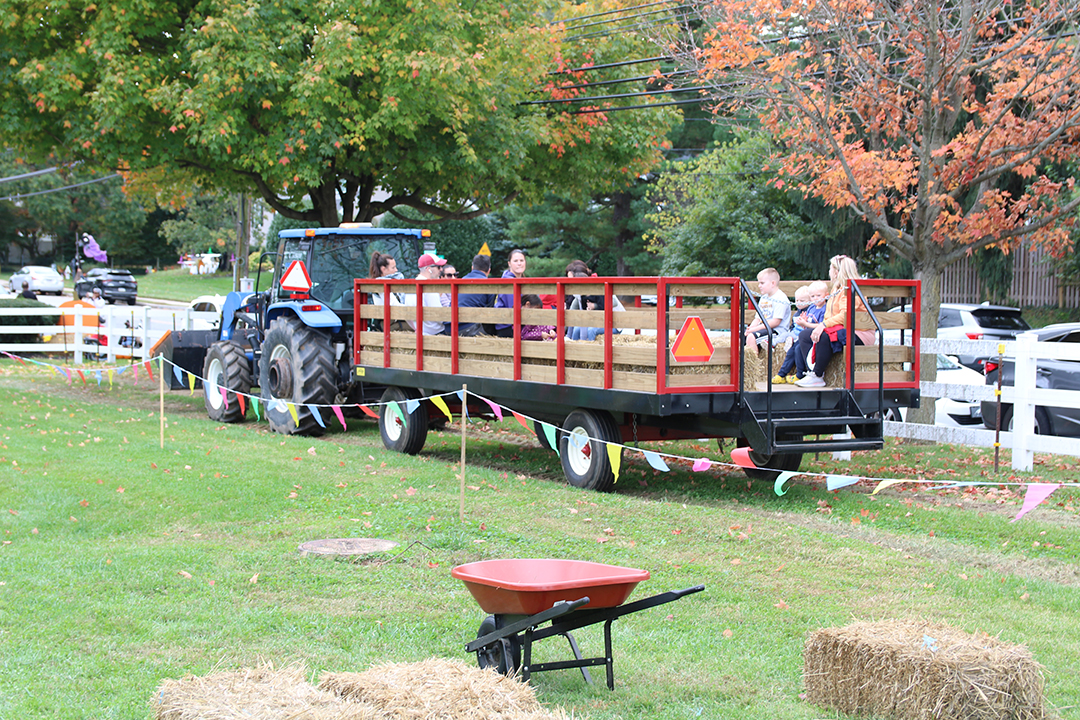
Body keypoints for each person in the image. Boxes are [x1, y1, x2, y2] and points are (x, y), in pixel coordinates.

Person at [794, 256, 877, 387]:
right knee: (804, 336)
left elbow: (845, 316)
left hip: (858, 333)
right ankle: (813, 372)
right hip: (840, 329)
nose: (829, 271)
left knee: (824, 335)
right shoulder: (836, 288)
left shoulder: (851, 289)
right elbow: (829, 315)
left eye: (831, 268)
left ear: (837, 271)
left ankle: (817, 375)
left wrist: (823, 325)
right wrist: (820, 325)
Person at [772, 280, 828, 383]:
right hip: (806, 335)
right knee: (794, 349)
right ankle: (783, 374)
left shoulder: (825, 309)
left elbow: (821, 325)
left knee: (798, 348)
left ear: (826, 295)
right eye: (813, 296)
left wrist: (805, 324)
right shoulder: (811, 307)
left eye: (818, 295)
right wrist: (804, 322)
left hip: (816, 337)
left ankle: (801, 373)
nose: (815, 299)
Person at [744, 267, 792, 354]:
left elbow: (775, 322)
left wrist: (754, 330)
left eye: (762, 283)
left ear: (773, 283)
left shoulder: (780, 298)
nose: (759, 286)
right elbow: (757, 318)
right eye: (759, 283)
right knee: (741, 336)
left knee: (751, 337)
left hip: (777, 331)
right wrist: (750, 328)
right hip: (763, 328)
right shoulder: (764, 298)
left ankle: (755, 366)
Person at [406, 253, 448, 335]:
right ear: (429, 269)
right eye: (438, 267)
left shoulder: (411, 286)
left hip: (420, 332)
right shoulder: (429, 287)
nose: (441, 270)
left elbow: (408, 317)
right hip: (436, 333)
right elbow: (439, 316)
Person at [458, 255, 495, 336]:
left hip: (449, 326)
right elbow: (491, 310)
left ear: (472, 268)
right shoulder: (489, 285)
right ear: (489, 270)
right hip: (467, 328)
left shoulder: (461, 280)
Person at [493, 249, 527, 338]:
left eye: (521, 260)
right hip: (507, 326)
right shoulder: (508, 281)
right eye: (515, 261)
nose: (519, 263)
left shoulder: (521, 280)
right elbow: (513, 307)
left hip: (515, 323)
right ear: (509, 264)